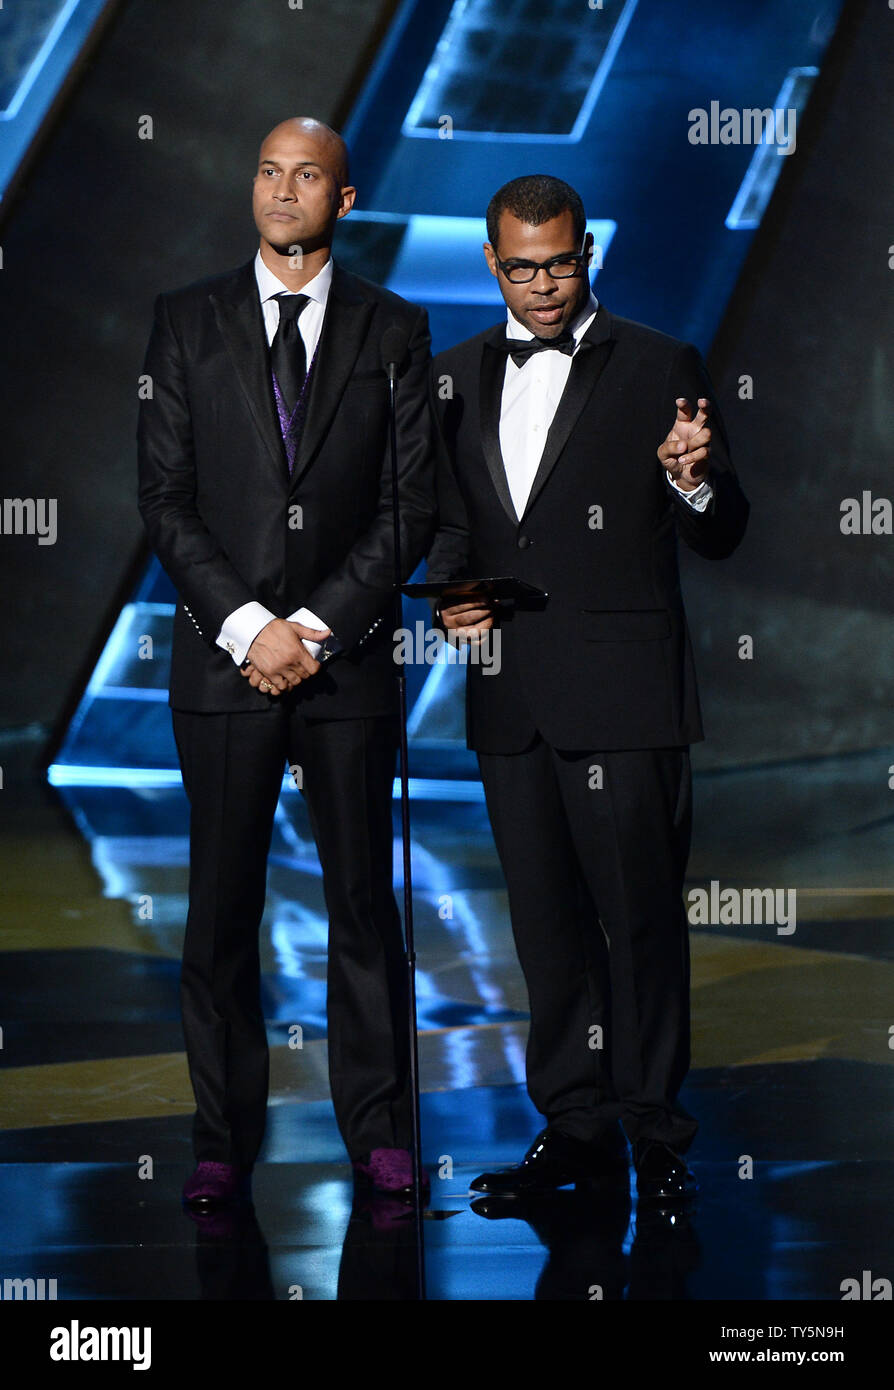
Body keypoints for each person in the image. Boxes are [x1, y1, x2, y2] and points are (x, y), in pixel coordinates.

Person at [426, 174, 748, 1202]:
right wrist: (450, 595)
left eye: (561, 262)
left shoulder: (660, 363)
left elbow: (722, 528)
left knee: (640, 917)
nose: (545, 284)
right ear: (492, 263)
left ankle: (655, 1131)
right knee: (545, 927)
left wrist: (691, 478)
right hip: (511, 698)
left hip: (625, 694)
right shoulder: (450, 378)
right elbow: (452, 527)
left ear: (587, 253)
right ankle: (575, 1126)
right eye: (523, 267)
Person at [137, 117, 435, 1206]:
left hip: (344, 665)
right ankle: (221, 1139)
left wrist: (310, 629)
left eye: (307, 175)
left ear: (344, 202)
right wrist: (248, 627)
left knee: (363, 905)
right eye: (266, 169)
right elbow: (164, 504)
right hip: (222, 668)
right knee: (220, 910)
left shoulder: (396, 329)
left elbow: (408, 512)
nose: (281, 189)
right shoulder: (185, 322)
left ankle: (381, 1132)